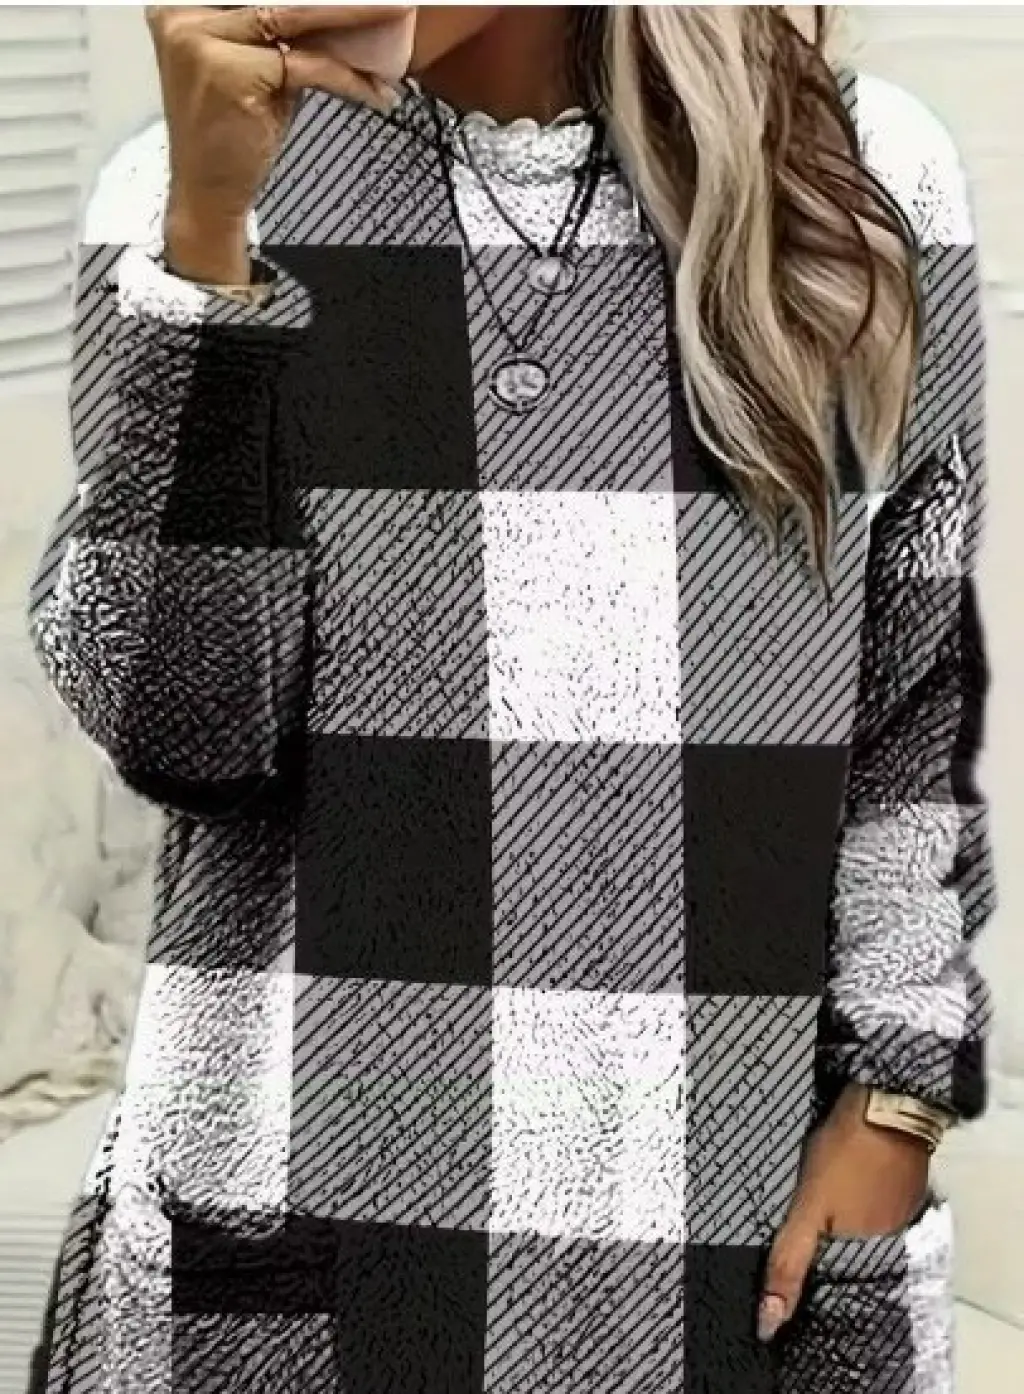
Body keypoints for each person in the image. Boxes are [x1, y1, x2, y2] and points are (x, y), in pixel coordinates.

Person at [27, 6, 994, 1391]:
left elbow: (907, 718)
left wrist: (896, 1097)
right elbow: (184, 733)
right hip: (290, 1216)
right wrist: (208, 246)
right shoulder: (179, 190)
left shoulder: (861, 179)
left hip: (713, 1230)